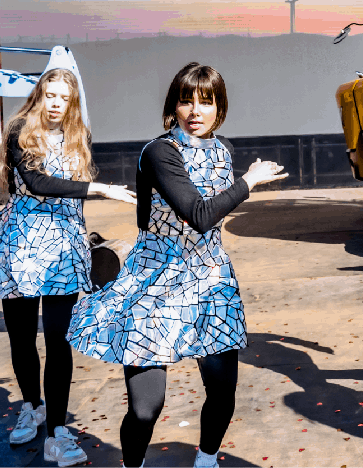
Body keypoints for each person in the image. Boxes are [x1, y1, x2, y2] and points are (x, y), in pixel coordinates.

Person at [67, 63, 286, 468]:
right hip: (155, 280)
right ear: (173, 105)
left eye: (206, 101)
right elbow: (199, 214)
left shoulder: (223, 149)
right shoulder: (160, 152)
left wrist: (241, 183)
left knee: (222, 393)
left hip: (210, 279)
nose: (195, 111)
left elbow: (211, 214)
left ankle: (206, 459)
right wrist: (249, 181)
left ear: (220, 108)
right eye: (186, 101)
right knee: (146, 408)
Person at [0, 69, 137, 467]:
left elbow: (72, 196)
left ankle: (57, 431)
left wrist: (84, 240)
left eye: (64, 97)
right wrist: (99, 188)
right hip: (21, 243)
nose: (56, 103)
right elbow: (36, 183)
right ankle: (31, 406)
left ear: (72, 102)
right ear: (40, 95)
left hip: (63, 246)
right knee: (22, 338)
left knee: (58, 339)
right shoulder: (20, 129)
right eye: (50, 95)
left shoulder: (79, 135)